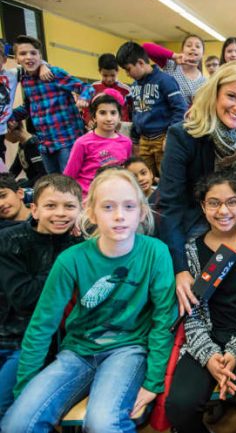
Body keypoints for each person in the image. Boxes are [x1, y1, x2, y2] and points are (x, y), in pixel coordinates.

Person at [1, 169, 176, 433]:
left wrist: (153, 381)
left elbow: (164, 320)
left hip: (128, 350)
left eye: (128, 206)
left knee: (102, 423)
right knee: (17, 424)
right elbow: (42, 324)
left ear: (141, 212)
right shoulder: (70, 259)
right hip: (77, 352)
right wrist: (26, 387)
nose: (119, 216)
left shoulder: (156, 252)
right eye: (108, 207)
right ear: (91, 212)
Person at [165, 172, 236, 430]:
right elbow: (191, 315)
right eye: (214, 203)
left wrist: (234, 353)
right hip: (206, 337)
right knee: (179, 406)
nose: (223, 210)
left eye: (231, 202)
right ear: (203, 206)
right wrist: (210, 357)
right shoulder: (191, 252)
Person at [158, 60, 236, 317]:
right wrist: (180, 268)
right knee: (196, 307)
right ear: (215, 93)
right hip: (191, 229)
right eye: (231, 96)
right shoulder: (183, 135)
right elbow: (171, 206)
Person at [0, 174, 82, 419]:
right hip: (11, 335)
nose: (60, 213)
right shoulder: (9, 241)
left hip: (46, 343)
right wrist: (67, 252)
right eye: (50, 206)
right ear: (33, 210)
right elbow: (25, 299)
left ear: (81, 209)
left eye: (69, 206)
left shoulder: (81, 244)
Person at [10, 35, 91, 173]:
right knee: (55, 185)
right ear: (16, 58)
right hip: (45, 145)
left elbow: (86, 87)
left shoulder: (54, 74)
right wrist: (8, 116)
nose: (29, 57)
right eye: (23, 54)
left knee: (70, 184)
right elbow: (30, 107)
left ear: (40, 56)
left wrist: (84, 98)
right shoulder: (25, 80)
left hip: (67, 141)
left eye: (33, 53)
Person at [116, 41, 188, 178]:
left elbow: (180, 109)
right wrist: (135, 140)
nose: (127, 74)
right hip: (143, 141)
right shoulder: (135, 85)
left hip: (162, 140)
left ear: (141, 63)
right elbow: (136, 112)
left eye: (128, 69)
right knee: (145, 179)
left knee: (166, 178)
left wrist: (170, 136)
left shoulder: (165, 80)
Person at [63, 91, 133, 197]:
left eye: (113, 113)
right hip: (88, 200)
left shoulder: (126, 142)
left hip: (115, 197)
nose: (109, 118)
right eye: (102, 113)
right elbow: (68, 177)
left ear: (119, 117)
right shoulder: (82, 143)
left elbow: (126, 172)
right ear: (94, 117)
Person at [143, 35, 207, 106]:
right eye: (189, 45)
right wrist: (174, 55)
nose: (193, 48)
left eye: (197, 46)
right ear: (182, 50)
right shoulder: (171, 65)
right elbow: (146, 47)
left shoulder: (204, 82)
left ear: (203, 53)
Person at [81, 53, 132, 125]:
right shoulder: (92, 88)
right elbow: (86, 108)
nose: (109, 79)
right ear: (99, 71)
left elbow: (132, 110)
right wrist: (89, 120)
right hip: (99, 127)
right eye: (105, 75)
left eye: (112, 75)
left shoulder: (126, 90)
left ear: (117, 71)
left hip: (121, 128)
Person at [5, 119, 46, 188]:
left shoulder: (33, 145)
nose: (5, 138)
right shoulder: (22, 144)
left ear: (9, 130)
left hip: (39, 186)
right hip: (32, 182)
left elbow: (42, 175)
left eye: (4, 135)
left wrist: (20, 186)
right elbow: (16, 167)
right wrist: (4, 181)